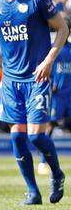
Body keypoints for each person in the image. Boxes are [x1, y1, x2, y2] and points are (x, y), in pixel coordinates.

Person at [0, 0, 69, 205]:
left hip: (37, 79)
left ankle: (57, 174)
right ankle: (33, 191)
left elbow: (62, 28)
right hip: (10, 81)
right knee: (16, 136)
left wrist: (49, 60)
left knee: (36, 136)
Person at [38, 16, 71, 176]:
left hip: (69, 95)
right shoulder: (52, 50)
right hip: (57, 96)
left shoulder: (69, 49)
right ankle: (43, 161)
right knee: (49, 126)